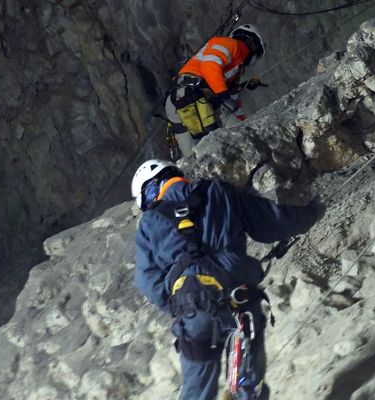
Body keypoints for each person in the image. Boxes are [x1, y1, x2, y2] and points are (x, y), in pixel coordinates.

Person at [132, 159, 320, 400]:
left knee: (197, 394)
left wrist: (179, 305)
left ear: (150, 190)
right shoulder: (219, 191)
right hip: (240, 301)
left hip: (193, 314)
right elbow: (271, 223)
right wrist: (312, 212)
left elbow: (147, 280)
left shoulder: (149, 222)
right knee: (248, 386)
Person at [165, 24, 267, 159]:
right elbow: (209, 67)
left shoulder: (231, 60)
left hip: (175, 101)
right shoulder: (232, 44)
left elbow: (215, 79)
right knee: (241, 134)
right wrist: (225, 98)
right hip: (196, 95)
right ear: (253, 44)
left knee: (193, 158)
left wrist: (242, 86)